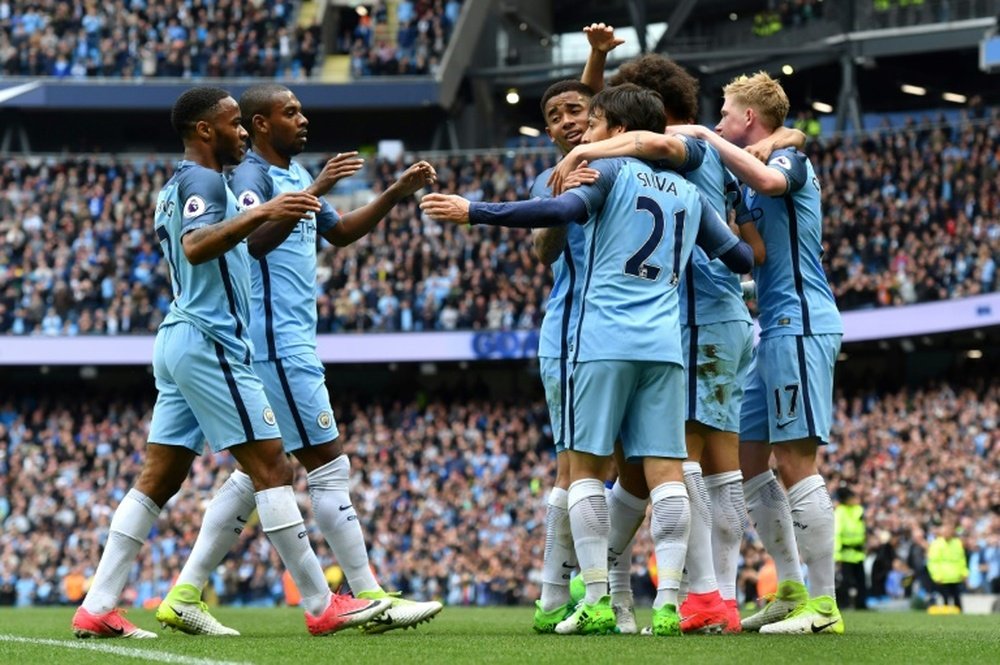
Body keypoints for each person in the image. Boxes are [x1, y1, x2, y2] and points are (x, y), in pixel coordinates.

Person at [421, 83, 755, 636]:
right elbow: (741, 256)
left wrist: (473, 210)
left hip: (598, 339)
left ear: (618, 130)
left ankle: (595, 598)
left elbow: (560, 210)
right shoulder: (690, 194)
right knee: (667, 472)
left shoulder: (609, 172)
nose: (587, 134)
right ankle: (671, 604)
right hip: (665, 346)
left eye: (595, 123)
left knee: (581, 468)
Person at [71, 87, 389, 639]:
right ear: (204, 132)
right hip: (210, 338)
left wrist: (287, 203)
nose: (243, 132)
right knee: (274, 467)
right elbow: (197, 247)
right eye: (235, 123)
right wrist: (266, 206)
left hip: (179, 338)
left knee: (156, 481)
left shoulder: (178, 186)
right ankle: (320, 604)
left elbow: (241, 242)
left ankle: (98, 605)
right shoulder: (201, 180)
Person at [154, 83, 441, 636]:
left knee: (259, 475)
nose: (303, 119)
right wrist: (316, 185)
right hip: (273, 344)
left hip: (291, 342)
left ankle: (185, 592)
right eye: (290, 112)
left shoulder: (286, 176)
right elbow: (255, 240)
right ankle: (371, 597)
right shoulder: (251, 177)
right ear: (261, 124)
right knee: (329, 467)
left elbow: (340, 232)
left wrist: (395, 192)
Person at [552, 31, 799, 635]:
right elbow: (751, 251)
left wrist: (576, 157)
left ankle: (692, 594)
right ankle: (697, 596)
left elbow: (622, 134)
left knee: (674, 462)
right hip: (723, 319)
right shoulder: (721, 153)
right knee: (708, 466)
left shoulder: (679, 149)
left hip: (688, 320)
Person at [669, 71, 845, 634]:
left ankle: (825, 605)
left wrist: (710, 134)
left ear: (749, 118)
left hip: (801, 322)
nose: (717, 122)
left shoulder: (786, 164)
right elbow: (759, 252)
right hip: (771, 326)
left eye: (724, 113)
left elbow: (776, 175)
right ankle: (790, 587)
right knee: (748, 465)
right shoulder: (751, 169)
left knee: (795, 460)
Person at [527, 79, 596, 634]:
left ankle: (593, 586)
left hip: (628, 334)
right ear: (547, 130)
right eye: (556, 115)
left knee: (624, 467)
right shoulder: (544, 179)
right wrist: (562, 195)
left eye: (576, 110)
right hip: (571, 331)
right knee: (575, 465)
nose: (567, 120)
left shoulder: (626, 163)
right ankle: (556, 594)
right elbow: (544, 250)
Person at [834, 486, 867, 609]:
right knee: (845, 582)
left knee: (861, 581)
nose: (855, 499)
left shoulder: (858, 510)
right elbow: (836, 534)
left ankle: (861, 604)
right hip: (845, 554)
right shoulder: (840, 512)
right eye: (852, 497)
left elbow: (862, 529)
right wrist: (837, 555)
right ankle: (844, 604)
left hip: (858, 552)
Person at [927, 520, 968, 611]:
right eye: (945, 531)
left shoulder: (957, 543)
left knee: (957, 601)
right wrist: (936, 576)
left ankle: (960, 620)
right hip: (943, 578)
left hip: (956, 577)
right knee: (945, 601)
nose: (946, 533)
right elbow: (933, 562)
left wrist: (964, 572)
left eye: (949, 531)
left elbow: (961, 560)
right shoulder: (936, 544)